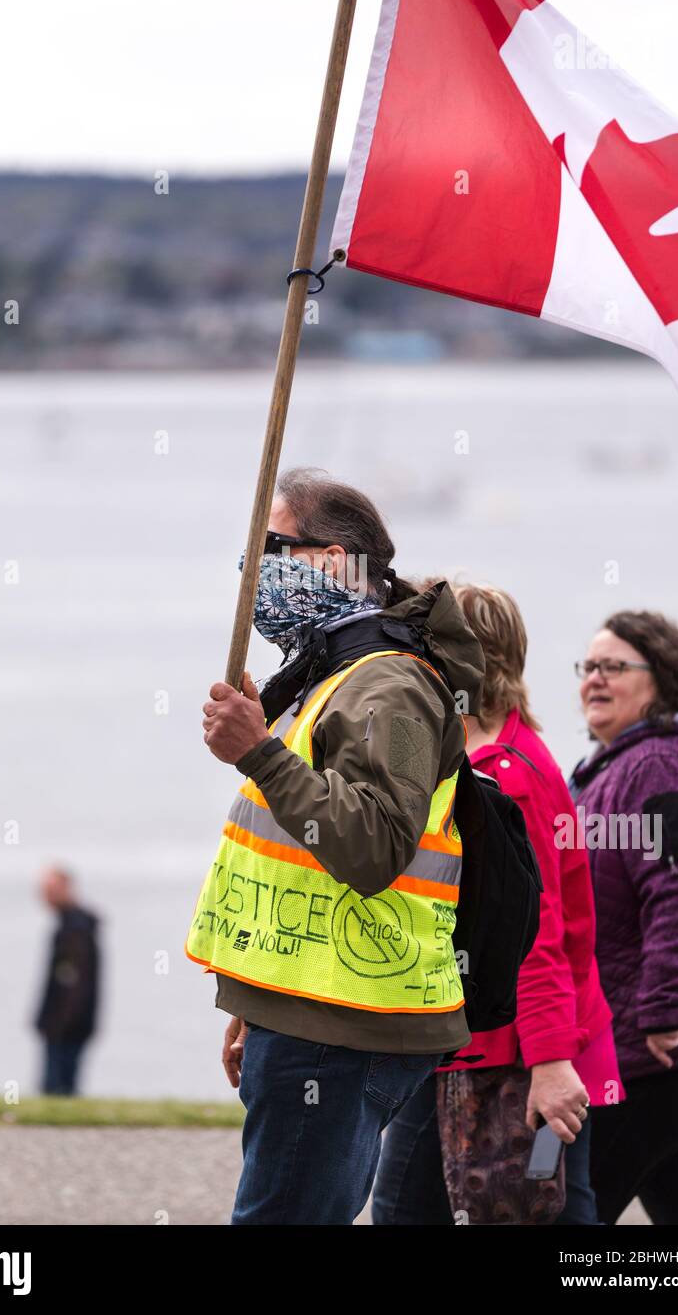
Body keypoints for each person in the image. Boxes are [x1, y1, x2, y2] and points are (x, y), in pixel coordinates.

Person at [186, 467, 486, 1225]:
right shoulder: (336, 673)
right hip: (312, 1010)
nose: (256, 569)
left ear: (332, 560)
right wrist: (259, 1003)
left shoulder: (389, 685)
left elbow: (377, 845)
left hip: (346, 1019)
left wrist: (260, 752)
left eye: (273, 546)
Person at [373, 583, 620, 1225]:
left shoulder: (504, 778)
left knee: (409, 1208)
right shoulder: (495, 753)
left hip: (508, 1053)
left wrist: (550, 1061)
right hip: (498, 1043)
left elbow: (533, 932)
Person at [570, 610, 678, 1225]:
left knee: (570, 1201)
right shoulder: (615, 769)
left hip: (666, 1042)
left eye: (614, 667)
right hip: (665, 1042)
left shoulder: (657, 767)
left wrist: (666, 1009)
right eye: (588, 667)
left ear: (662, 680)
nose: (594, 679)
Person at [34, 867, 100, 1096]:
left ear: (66, 889)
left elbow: (74, 981)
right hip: (69, 1021)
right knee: (61, 1085)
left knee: (57, 1087)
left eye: (51, 889)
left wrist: (58, 1021)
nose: (46, 896)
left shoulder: (76, 928)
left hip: (66, 1023)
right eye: (44, 890)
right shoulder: (73, 924)